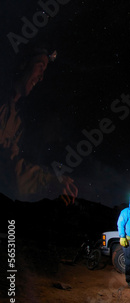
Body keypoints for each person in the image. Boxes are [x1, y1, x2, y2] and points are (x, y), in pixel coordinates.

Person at [0, 46, 78, 204]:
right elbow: (6, 168)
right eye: (40, 67)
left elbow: (12, 161)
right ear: (23, 64)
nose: (41, 77)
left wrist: (54, 179)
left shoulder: (17, 121)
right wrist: (47, 182)